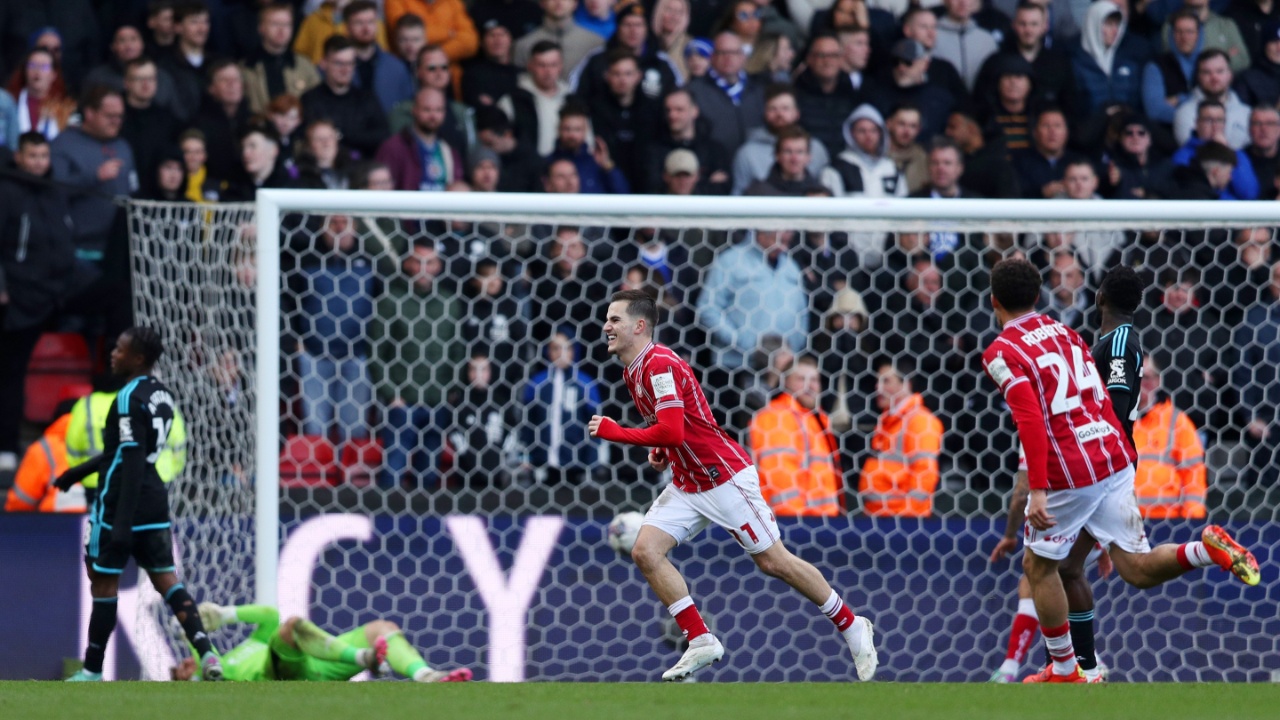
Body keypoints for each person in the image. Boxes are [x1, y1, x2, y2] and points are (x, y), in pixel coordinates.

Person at [982, 258, 1258, 684]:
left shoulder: (1002, 352)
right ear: (1038, 297)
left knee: (1038, 567)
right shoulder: (1066, 332)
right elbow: (1098, 395)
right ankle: (1206, 550)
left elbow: (1031, 421)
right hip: (1112, 456)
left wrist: (1037, 489)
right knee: (1135, 567)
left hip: (1071, 470)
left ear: (994, 300)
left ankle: (1063, 669)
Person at [588, 290, 877, 681]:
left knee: (774, 561)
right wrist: (659, 448)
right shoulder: (634, 369)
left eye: (615, 319)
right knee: (645, 550)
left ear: (639, 326)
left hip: (723, 477)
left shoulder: (658, 364)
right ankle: (700, 639)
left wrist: (617, 431)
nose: (606, 326)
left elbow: (673, 431)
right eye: (607, 319)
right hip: (689, 482)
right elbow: (674, 429)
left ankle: (851, 624)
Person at [53, 327, 224, 682]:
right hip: (154, 500)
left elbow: (129, 461)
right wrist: (80, 471)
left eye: (120, 349)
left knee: (103, 583)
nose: (113, 353)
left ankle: (93, 671)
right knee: (166, 580)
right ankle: (207, 652)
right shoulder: (160, 394)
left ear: (139, 359)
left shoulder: (128, 398)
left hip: (121, 501)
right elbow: (132, 450)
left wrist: (120, 526)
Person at [0, 132, 75, 469]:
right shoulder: (7, 191)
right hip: (16, 299)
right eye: (32, 156)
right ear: (19, 157)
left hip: (54, 293)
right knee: (10, 373)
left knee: (110, 297)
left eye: (43, 156)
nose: (38, 163)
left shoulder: (55, 192)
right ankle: (6, 447)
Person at [172, 602, 470, 683]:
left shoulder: (240, 651)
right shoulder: (219, 671)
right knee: (292, 628)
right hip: (282, 675)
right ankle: (366, 659)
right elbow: (204, 663)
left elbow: (268, 615)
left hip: (319, 663)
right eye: (181, 671)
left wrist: (225, 615)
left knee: (382, 627)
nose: (183, 664)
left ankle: (427, 675)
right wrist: (191, 642)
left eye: (182, 663)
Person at [369, 240, 464, 488]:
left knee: (429, 474)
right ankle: (387, 523)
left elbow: (457, 348)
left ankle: (423, 526)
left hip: (438, 401)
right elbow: (376, 352)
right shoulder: (390, 300)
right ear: (407, 264)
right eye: (418, 262)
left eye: (429, 262)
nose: (423, 268)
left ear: (438, 266)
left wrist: (452, 389)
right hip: (403, 402)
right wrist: (391, 395)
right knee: (393, 471)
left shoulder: (449, 301)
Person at [748, 355, 843, 516]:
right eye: (801, 379)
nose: (810, 386)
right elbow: (780, 478)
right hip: (792, 522)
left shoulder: (815, 419)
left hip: (821, 522)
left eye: (814, 380)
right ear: (786, 382)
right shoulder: (777, 417)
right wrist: (794, 522)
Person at [858, 360, 943, 517]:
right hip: (879, 518)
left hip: (901, 522)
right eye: (878, 381)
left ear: (906, 385)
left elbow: (925, 475)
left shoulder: (920, 421)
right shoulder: (888, 422)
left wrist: (905, 518)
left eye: (886, 381)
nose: (878, 387)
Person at [520, 331, 604, 484]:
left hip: (577, 465)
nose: (560, 353)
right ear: (548, 352)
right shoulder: (537, 383)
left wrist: (592, 464)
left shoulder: (584, 383)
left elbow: (595, 425)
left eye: (566, 348)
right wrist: (526, 457)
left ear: (573, 351)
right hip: (542, 466)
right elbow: (528, 424)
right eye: (555, 348)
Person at [1132, 356, 1208, 520]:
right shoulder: (1111, 420)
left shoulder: (1177, 422)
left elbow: (1193, 475)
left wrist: (1191, 522)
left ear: (1157, 381)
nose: (1138, 384)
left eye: (1145, 377)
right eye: (1133, 376)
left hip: (1165, 522)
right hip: (1116, 524)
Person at [731, 85, 831, 195]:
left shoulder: (817, 149)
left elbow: (823, 190)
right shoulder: (747, 153)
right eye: (773, 109)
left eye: (785, 108)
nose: (779, 114)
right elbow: (738, 196)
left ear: (797, 113)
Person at [301, 36, 390, 159]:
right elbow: (309, 139)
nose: (345, 69)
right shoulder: (310, 99)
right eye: (338, 63)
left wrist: (343, 135)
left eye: (350, 63)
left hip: (362, 168)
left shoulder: (366, 98)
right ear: (324, 63)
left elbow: (383, 135)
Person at [685, 32, 767, 155]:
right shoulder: (693, 91)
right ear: (712, 57)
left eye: (734, 53)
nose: (728, 58)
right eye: (722, 53)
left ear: (743, 57)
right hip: (715, 167)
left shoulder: (760, 89)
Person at [376, 87, 464, 191]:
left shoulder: (448, 150)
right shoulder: (393, 147)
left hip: (441, 207)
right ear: (414, 110)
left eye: (438, 110)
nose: (433, 115)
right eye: (427, 109)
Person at [240, 3, 321, 115]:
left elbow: (317, 104)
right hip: (259, 128)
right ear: (261, 28)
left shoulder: (305, 66)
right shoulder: (245, 68)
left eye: (287, 24)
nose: (282, 30)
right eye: (275, 24)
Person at [5, 400, 85, 512]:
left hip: (52, 524)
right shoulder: (104, 439)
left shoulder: (42, 448)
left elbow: (19, 504)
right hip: (101, 521)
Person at [497, 40, 572, 157]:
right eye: (542, 65)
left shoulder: (571, 99)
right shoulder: (511, 101)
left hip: (566, 171)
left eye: (553, 65)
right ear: (530, 66)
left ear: (561, 66)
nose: (548, 71)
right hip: (527, 171)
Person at [345, 1, 416, 114]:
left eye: (370, 22)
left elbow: (408, 107)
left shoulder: (396, 67)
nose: (366, 28)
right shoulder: (335, 66)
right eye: (359, 23)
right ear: (347, 27)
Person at [822, 104, 907, 198]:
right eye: (862, 131)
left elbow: (902, 204)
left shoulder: (892, 168)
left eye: (873, 130)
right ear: (851, 133)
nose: (868, 136)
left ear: (881, 133)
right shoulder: (837, 168)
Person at [1172, 49, 1251, 149]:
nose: (1214, 77)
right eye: (1206, 72)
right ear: (1198, 77)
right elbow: (1191, 152)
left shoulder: (1247, 113)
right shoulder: (1185, 113)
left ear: (1230, 75)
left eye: (1220, 71)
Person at [513, 0, 605, 76]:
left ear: (575, 4)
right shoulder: (523, 45)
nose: (559, 2)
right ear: (542, 3)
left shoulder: (595, 43)